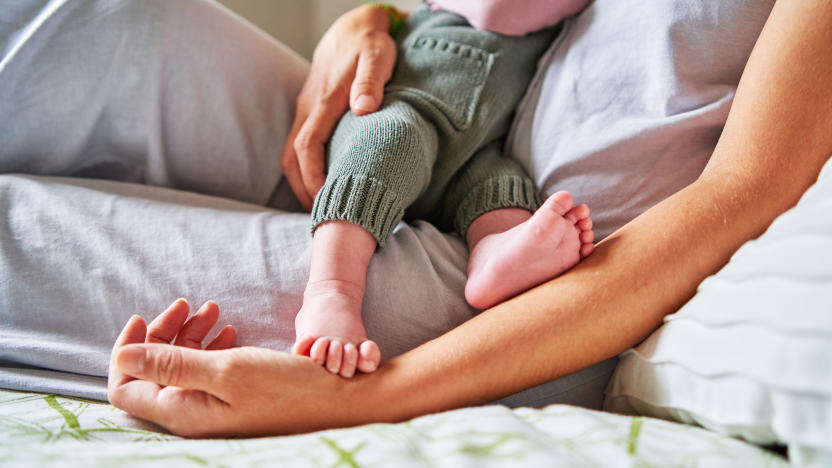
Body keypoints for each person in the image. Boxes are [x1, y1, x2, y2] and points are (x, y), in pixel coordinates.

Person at [0, 0, 829, 438]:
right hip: (439, 133)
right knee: (108, 23)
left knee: (19, 234)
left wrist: (363, 400)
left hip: (523, 288)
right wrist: (377, 22)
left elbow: (741, 197)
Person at [294, 1, 593, 378]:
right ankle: (330, 290)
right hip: (396, 112)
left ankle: (494, 255)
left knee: (500, 181)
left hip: (474, 152)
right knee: (389, 140)